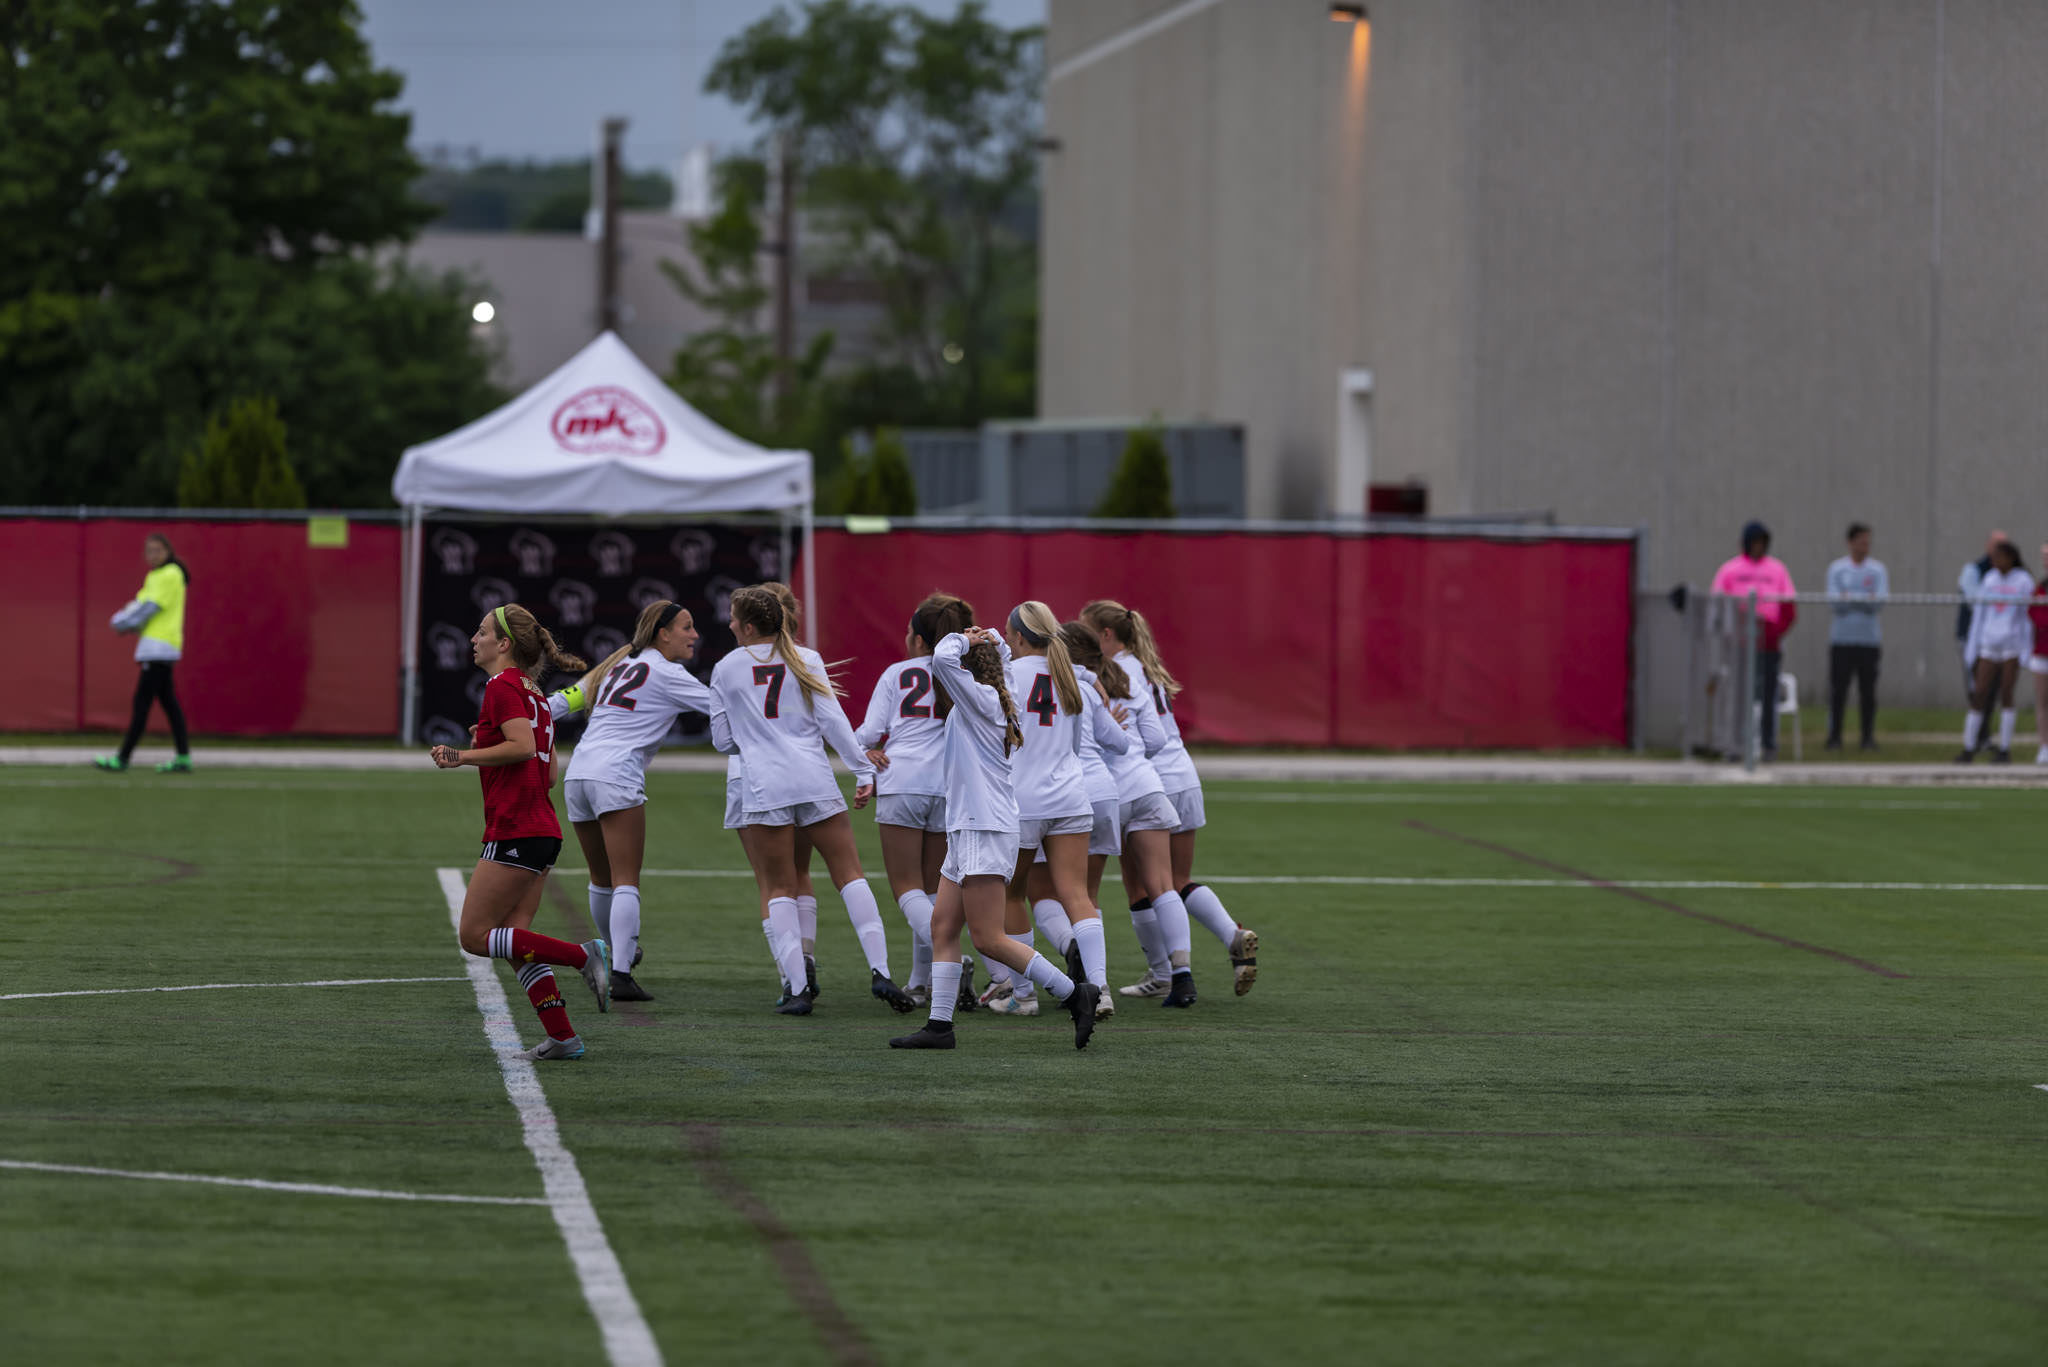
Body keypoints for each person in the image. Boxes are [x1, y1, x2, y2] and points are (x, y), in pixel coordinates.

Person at [888, 627, 1100, 1051]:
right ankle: (939, 1026)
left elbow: (944, 660)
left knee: (988, 938)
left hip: (983, 829)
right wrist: (990, 641)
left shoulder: (981, 701)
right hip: (969, 827)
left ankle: (1077, 993)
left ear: (970, 673)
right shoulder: (1003, 695)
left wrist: (961, 638)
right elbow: (992, 660)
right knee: (942, 926)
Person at [710, 586, 910, 1015]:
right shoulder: (808, 659)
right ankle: (881, 972)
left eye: (732, 619)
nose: (728, 625)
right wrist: (862, 770)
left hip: (765, 786)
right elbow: (834, 723)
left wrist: (756, 735)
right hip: (815, 779)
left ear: (747, 626)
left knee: (780, 887)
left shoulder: (725, 668)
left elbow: (723, 741)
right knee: (850, 875)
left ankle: (799, 989)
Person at [433, 603, 609, 1061]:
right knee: (517, 942)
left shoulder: (502, 687)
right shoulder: (532, 693)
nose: (474, 638)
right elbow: (544, 772)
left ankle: (581, 955)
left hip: (516, 829)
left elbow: (522, 747)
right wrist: (485, 745)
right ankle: (564, 1036)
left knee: (474, 937)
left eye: (482, 631)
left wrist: (463, 756)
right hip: (540, 829)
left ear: (504, 644)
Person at [1083, 599, 1259, 996]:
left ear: (1106, 634)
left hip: (1146, 779)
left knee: (1141, 886)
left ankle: (1163, 974)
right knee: (1176, 880)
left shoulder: (1112, 671)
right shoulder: (1146, 665)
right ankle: (1231, 935)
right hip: (1182, 774)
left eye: (1087, 631)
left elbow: (1116, 735)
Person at [554, 600, 712, 1003]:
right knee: (626, 880)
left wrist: (504, 719)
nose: (694, 635)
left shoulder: (616, 663)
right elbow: (724, 708)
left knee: (601, 879)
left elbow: (564, 700)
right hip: (616, 775)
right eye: (687, 627)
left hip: (580, 773)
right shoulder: (668, 672)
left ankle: (612, 958)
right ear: (663, 633)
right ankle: (620, 973)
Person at [984, 601, 1113, 1021]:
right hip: (1070, 797)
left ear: (1018, 637)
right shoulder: (1071, 677)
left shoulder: (1007, 676)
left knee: (1012, 893)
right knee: (1077, 895)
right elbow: (1076, 747)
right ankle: (1101, 989)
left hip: (1022, 801)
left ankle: (1024, 996)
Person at [855, 592, 979, 1011]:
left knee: (907, 889)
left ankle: (956, 960)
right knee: (930, 891)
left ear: (921, 641)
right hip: (951, 786)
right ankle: (921, 982)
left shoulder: (897, 673)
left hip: (903, 780)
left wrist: (866, 754)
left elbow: (866, 735)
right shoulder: (967, 671)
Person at [98, 533, 194, 773]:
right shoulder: (155, 576)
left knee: (142, 704)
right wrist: (123, 621)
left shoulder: (171, 574)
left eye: (157, 550)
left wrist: (123, 624)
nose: (153, 555)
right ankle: (183, 758)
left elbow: (150, 608)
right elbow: (139, 606)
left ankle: (123, 758)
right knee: (169, 704)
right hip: (155, 648)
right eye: (149, 551)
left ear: (168, 551)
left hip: (159, 648)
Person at [1709, 522, 1798, 760]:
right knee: (1739, 695)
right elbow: (1718, 605)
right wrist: (1733, 633)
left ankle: (1769, 744)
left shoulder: (1777, 570)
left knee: (1768, 695)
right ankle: (1735, 744)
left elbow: (1788, 608)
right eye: (1754, 542)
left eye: (1762, 543)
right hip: (1740, 642)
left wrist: (1773, 632)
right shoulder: (1730, 569)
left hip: (1767, 641)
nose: (1758, 547)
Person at [1958, 539, 2033, 764]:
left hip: (2010, 646)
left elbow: (2026, 619)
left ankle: (2004, 748)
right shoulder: (1989, 580)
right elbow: (1979, 617)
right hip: (1989, 645)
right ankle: (1969, 746)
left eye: (1999, 556)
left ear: (2011, 558)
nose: (1995, 561)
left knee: (2007, 694)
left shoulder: (2023, 581)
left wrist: (2024, 649)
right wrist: (1973, 648)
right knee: (1979, 693)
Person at [1824, 523, 1888, 752]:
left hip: (1868, 640)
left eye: (1868, 542)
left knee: (1868, 692)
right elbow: (1835, 603)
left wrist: (1849, 597)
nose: (1865, 546)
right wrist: (1862, 599)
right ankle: (1834, 737)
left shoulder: (1877, 570)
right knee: (1838, 691)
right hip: (1842, 640)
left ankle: (1868, 737)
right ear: (1850, 542)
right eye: (1861, 542)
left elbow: (1878, 602)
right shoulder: (1837, 569)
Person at [1958, 531, 2006, 700]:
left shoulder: (2010, 575)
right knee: (1976, 685)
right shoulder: (1973, 570)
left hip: (1996, 638)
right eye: (1996, 545)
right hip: (1972, 635)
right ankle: (1976, 724)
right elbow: (1976, 603)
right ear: (1988, 546)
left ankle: (1984, 725)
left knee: (1994, 687)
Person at [2029, 545, 2048, 766]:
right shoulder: (2039, 588)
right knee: (2043, 702)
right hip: (2041, 653)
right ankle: (2044, 746)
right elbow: (2035, 617)